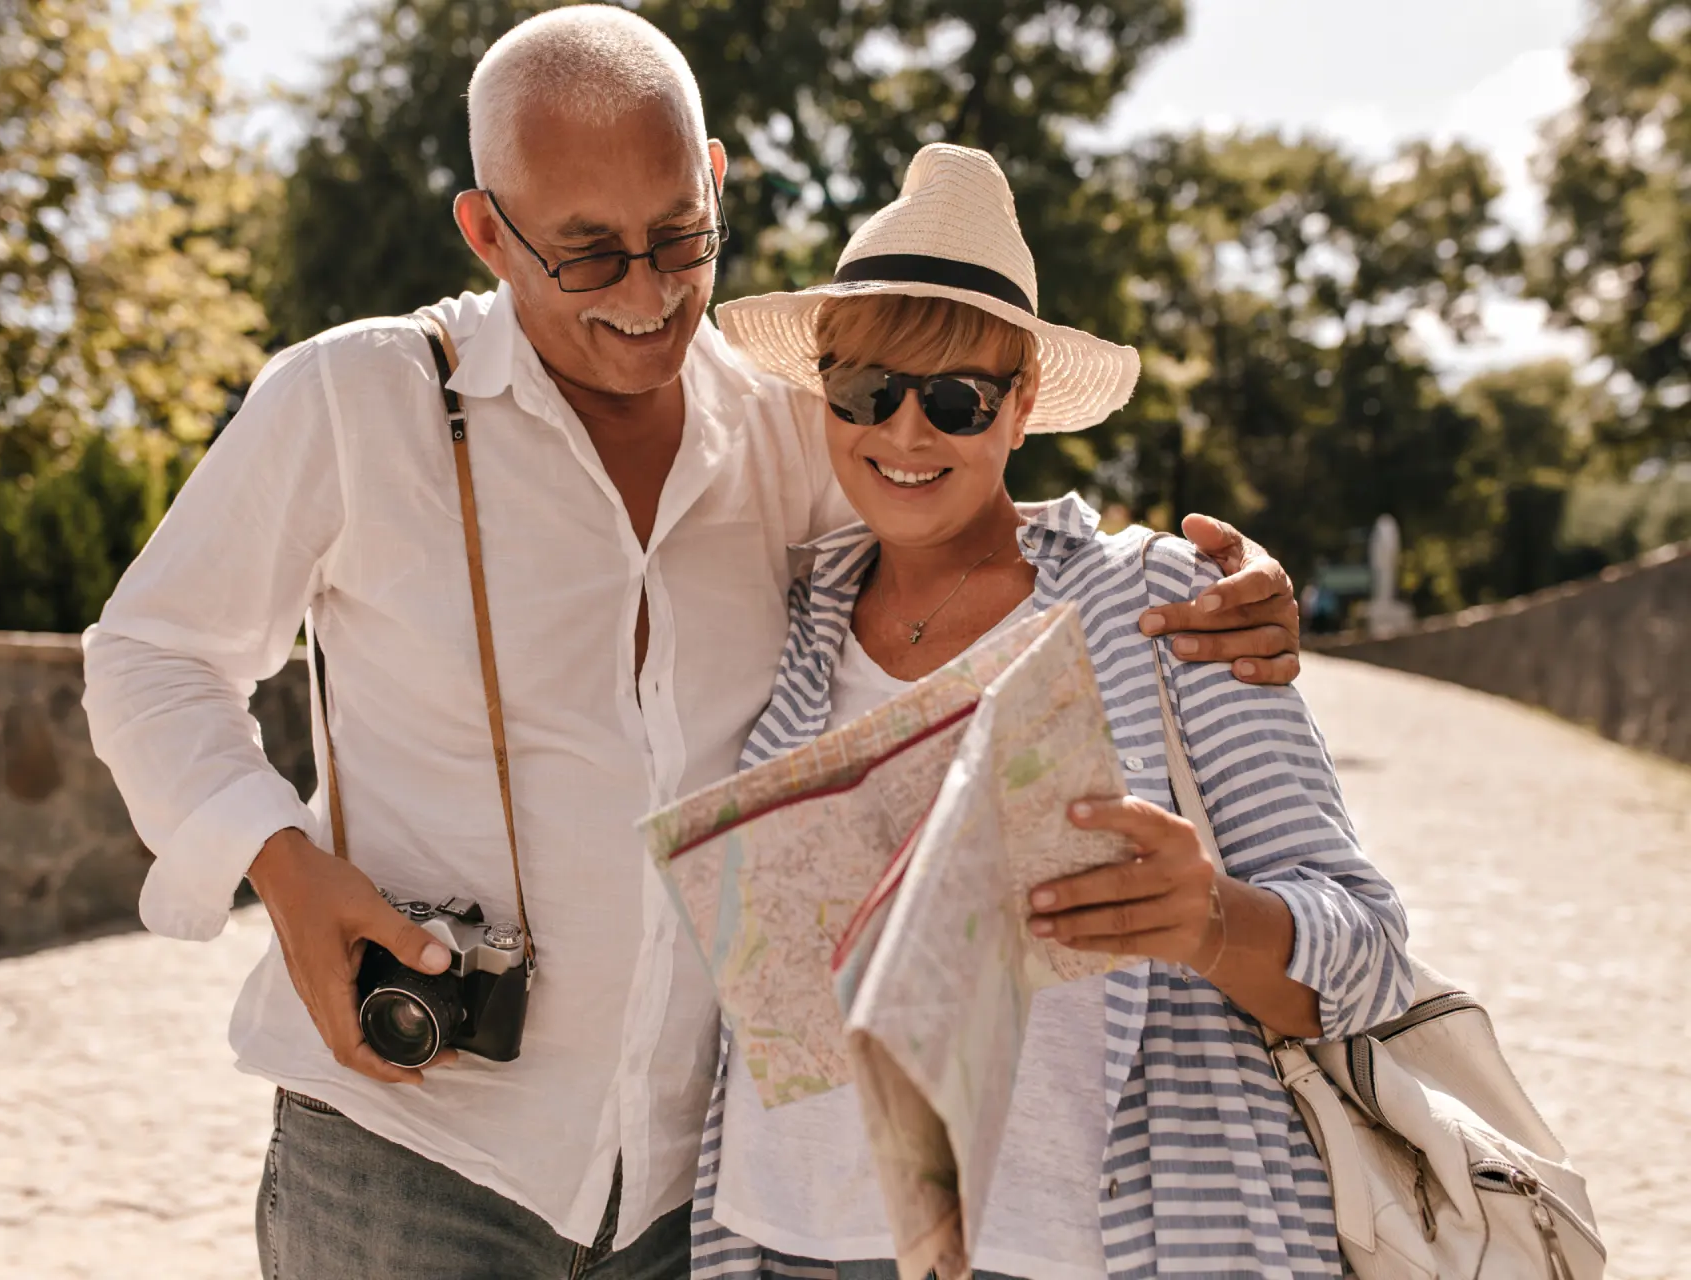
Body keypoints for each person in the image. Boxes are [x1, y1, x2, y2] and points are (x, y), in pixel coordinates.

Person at [81, 10, 1305, 1279]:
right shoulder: (350, 397)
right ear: (488, 231)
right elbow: (150, 651)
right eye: (589, 256)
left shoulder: (792, 431)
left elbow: (963, 506)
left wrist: (1218, 579)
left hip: (691, 1194)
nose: (650, 293)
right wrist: (278, 863)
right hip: (405, 1152)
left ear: (715, 178)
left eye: (679, 238)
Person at [689, 145, 1413, 1280]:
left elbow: (1371, 956)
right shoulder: (790, 606)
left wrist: (1207, 918)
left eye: (957, 397)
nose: (906, 432)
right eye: (868, 390)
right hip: (785, 1239)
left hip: (1081, 1249)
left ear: (1021, 404)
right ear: (823, 389)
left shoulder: (1162, 601)